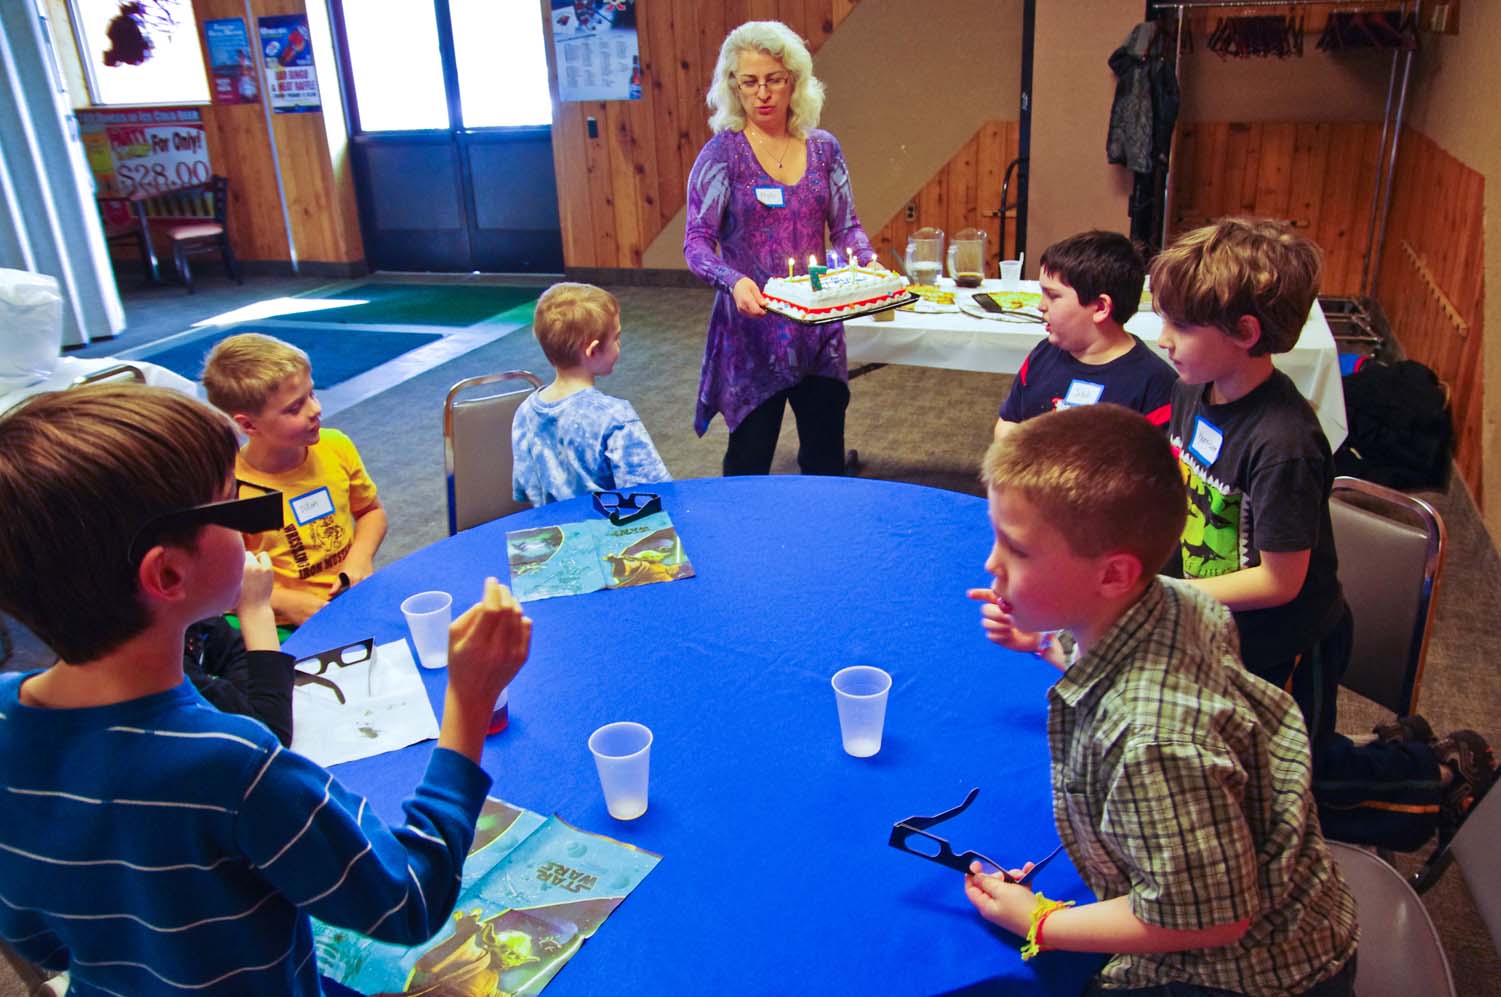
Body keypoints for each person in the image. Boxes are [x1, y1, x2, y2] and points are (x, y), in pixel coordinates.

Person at [0, 385, 531, 994]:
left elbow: (38, 939)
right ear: (168, 572)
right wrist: (470, 698)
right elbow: (409, 899)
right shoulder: (232, 765)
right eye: (236, 512)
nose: (254, 538)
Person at [964, 404, 1357, 996]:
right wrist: (1044, 643)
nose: (991, 562)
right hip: (1268, 902)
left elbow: (1211, 918)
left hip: (1240, 977)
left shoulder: (1152, 740)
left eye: (1016, 549)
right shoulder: (1179, 600)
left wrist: (1039, 921)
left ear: (1113, 575)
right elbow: (1121, 656)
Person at [1153, 217, 1493, 849]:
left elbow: (1280, 582)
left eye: (1180, 325)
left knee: (1288, 785)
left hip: (1288, 643)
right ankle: (1398, 749)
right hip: (1225, 624)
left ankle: (1438, 776)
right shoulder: (1192, 392)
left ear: (1244, 333)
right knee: (1245, 763)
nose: (1163, 337)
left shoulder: (1283, 442)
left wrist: (1164, 594)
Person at [684, 20, 876, 476]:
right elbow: (696, 243)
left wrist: (868, 264)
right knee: (748, 464)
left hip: (817, 331)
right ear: (734, 86)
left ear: (795, 81)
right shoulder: (723, 154)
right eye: (750, 82)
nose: (763, 93)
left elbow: (847, 227)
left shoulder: (824, 150)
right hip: (753, 333)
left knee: (825, 459)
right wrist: (733, 281)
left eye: (774, 80)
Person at [202, 332, 388, 627]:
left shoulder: (335, 446)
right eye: (294, 408)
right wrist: (286, 602)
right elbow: (219, 582)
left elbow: (371, 512)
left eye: (312, 394)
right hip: (276, 622)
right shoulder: (227, 490)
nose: (316, 410)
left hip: (349, 599)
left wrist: (359, 559)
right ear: (248, 425)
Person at [993, 230, 1175, 440]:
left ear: (1100, 307)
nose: (1040, 306)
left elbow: (1157, 459)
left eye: (1053, 296)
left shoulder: (1154, 386)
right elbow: (1008, 421)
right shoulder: (1043, 353)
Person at [511, 282, 670, 506]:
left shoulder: (525, 412)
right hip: (608, 526)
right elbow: (653, 494)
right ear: (593, 350)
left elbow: (524, 489)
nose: (619, 344)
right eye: (616, 337)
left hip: (551, 526)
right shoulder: (614, 417)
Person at [184, 549, 296, 746]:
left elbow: (237, 652)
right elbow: (269, 736)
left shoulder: (191, 616)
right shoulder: (162, 663)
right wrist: (256, 609)